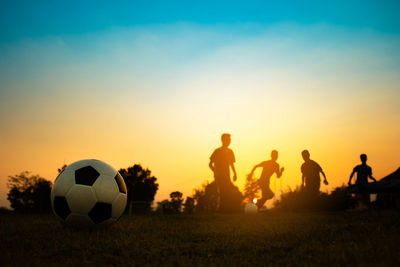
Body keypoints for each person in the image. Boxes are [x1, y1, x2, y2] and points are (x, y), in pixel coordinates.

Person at [209, 133, 238, 212]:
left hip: (227, 175)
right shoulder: (217, 151)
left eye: (230, 140)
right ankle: (219, 209)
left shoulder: (230, 151)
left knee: (227, 192)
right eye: (227, 140)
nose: (229, 141)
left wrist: (235, 174)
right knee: (220, 192)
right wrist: (215, 172)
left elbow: (231, 164)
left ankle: (226, 209)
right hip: (219, 175)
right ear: (222, 140)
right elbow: (210, 164)